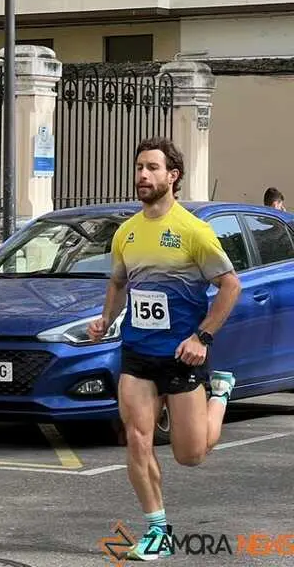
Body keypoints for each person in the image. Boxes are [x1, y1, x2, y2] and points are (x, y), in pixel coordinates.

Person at [88, 136, 242, 561]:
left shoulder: (194, 232)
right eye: (139, 167)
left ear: (173, 176)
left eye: (152, 168)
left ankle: (220, 395)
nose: (143, 175)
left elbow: (230, 286)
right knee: (137, 439)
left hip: (181, 355)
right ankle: (158, 529)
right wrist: (105, 319)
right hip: (138, 352)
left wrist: (202, 337)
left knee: (191, 455)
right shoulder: (126, 232)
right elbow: (119, 282)